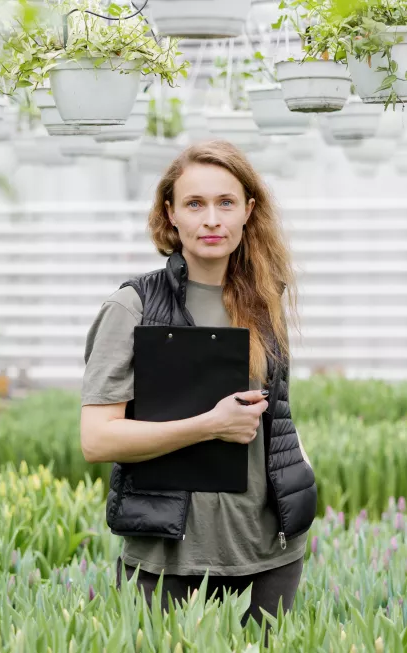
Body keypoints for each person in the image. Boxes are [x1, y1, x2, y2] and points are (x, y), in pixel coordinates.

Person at [79, 140, 317, 628]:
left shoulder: (265, 301)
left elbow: (276, 412)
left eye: (226, 202)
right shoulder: (134, 306)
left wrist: (298, 474)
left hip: (270, 551)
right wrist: (210, 425)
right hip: (170, 558)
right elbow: (98, 439)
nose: (212, 219)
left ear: (248, 211)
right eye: (195, 203)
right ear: (171, 215)